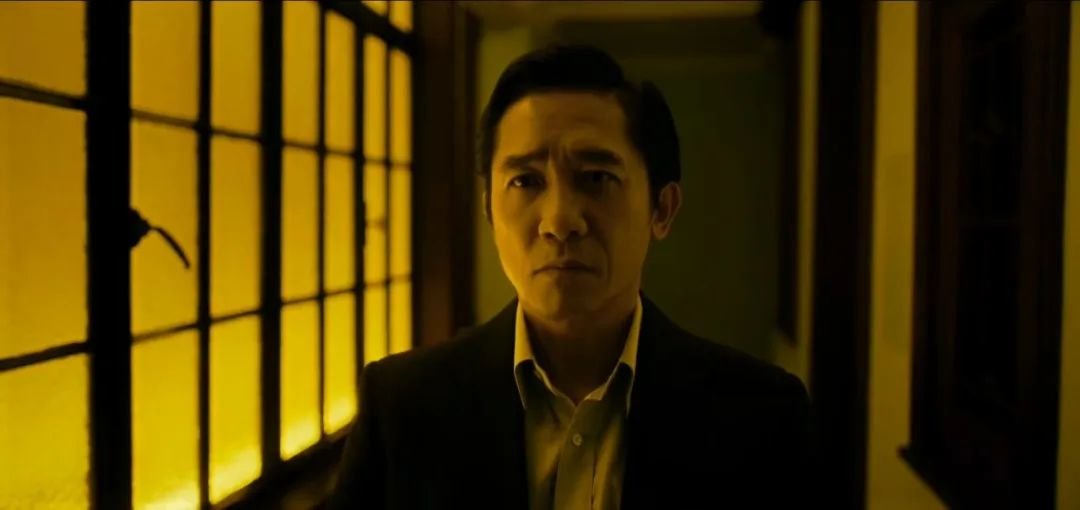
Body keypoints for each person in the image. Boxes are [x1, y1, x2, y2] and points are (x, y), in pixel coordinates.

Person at [327, 44, 812, 510]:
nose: (559, 221)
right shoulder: (402, 406)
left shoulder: (760, 415)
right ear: (489, 210)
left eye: (596, 178)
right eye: (526, 181)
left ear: (662, 209)